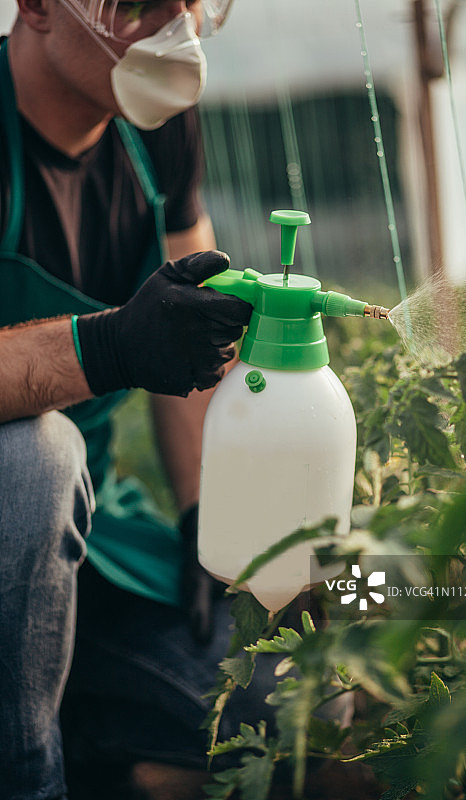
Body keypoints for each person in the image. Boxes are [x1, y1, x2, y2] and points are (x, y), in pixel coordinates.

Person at [0, 0, 278, 797]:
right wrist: (108, 345)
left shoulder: (153, 127)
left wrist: (205, 518)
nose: (176, 32)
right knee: (31, 460)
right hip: (21, 497)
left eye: (189, 4)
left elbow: (195, 326)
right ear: (39, 7)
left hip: (88, 528)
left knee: (278, 712)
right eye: (140, 6)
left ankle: (84, 728)